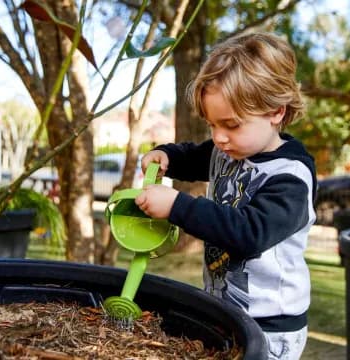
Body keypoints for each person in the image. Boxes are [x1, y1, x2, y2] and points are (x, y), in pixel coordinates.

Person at [135, 31, 317, 359]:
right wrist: (167, 155)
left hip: (271, 324)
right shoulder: (228, 150)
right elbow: (193, 156)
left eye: (231, 125)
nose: (219, 137)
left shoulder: (290, 177)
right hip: (226, 309)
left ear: (276, 111)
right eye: (212, 125)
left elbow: (249, 233)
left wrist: (177, 205)